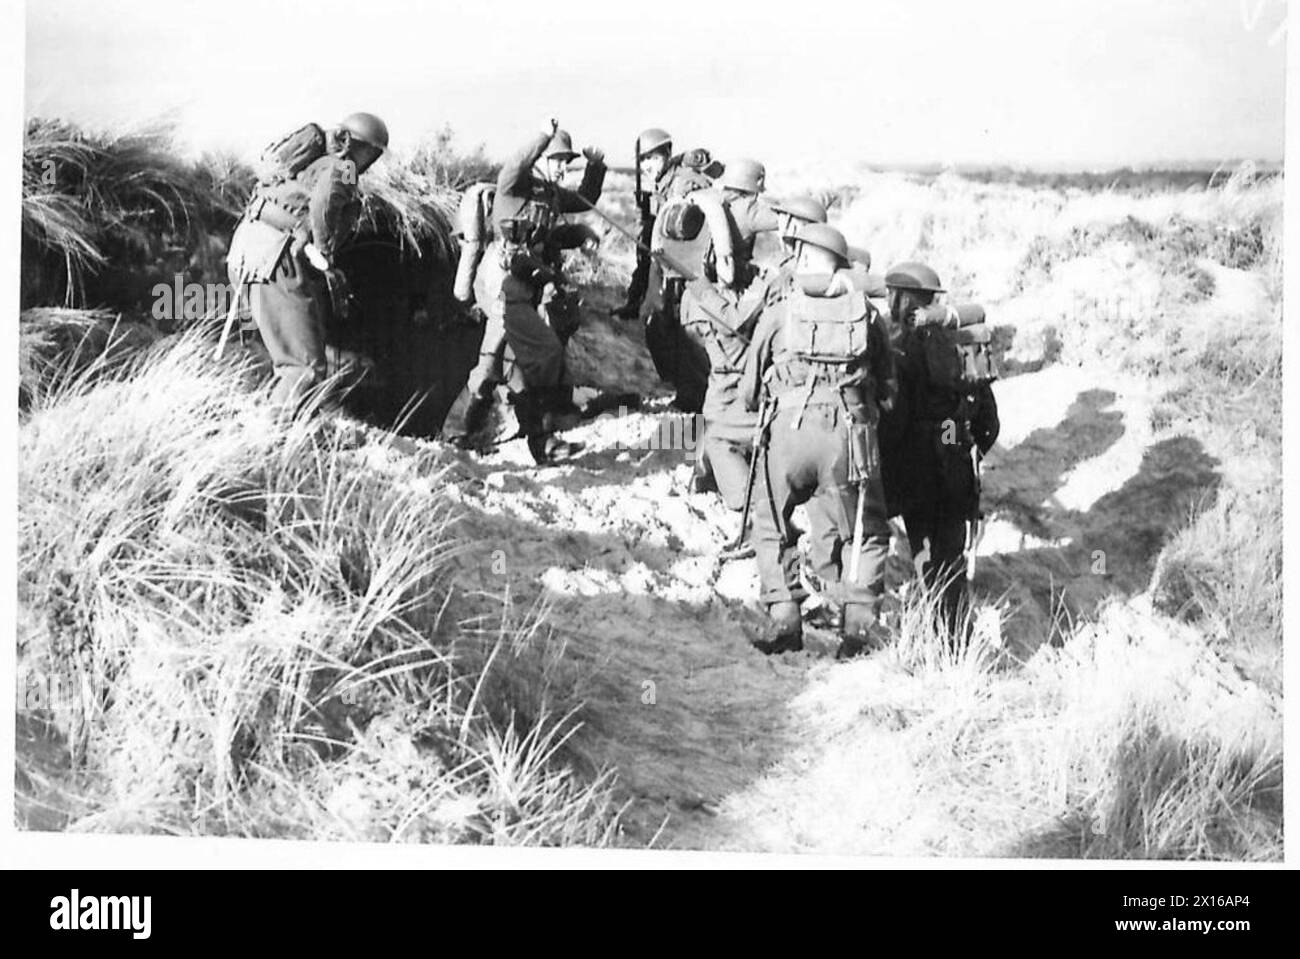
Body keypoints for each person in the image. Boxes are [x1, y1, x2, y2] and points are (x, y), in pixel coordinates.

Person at [742, 224, 897, 658]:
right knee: (866, 531)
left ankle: (785, 621)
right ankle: (857, 633)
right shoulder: (866, 313)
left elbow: (750, 390)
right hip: (848, 436)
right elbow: (888, 389)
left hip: (788, 436)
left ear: (805, 261)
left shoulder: (781, 310)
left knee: (772, 524)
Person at [452, 119, 606, 464]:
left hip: (530, 285)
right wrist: (541, 136)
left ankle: (536, 439)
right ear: (540, 160)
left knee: (517, 363)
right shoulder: (514, 188)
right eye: (557, 161)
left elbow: (585, 200)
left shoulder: (550, 196)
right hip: (500, 284)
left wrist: (595, 170)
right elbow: (514, 165)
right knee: (495, 365)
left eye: (567, 163)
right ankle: (469, 430)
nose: (562, 169)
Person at [227, 112, 388, 411]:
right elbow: (323, 204)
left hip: (251, 248)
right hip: (275, 257)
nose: (370, 159)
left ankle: (292, 424)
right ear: (352, 143)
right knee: (303, 370)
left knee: (302, 358)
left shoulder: (312, 163)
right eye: (370, 151)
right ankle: (273, 440)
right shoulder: (346, 166)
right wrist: (325, 251)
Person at [879, 262, 1000, 639]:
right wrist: (959, 444)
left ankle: (932, 636)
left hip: (916, 471)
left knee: (924, 555)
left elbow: (894, 421)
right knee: (951, 557)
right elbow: (989, 425)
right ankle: (956, 636)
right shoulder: (962, 344)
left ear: (898, 298)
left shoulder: (895, 349)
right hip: (955, 468)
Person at [614, 128, 717, 412]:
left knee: (687, 336)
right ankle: (686, 390)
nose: (647, 165)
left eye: (653, 158)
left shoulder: (683, 183)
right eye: (643, 160)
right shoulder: (665, 184)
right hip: (672, 271)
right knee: (662, 330)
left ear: (667, 156)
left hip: (691, 272)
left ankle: (694, 399)